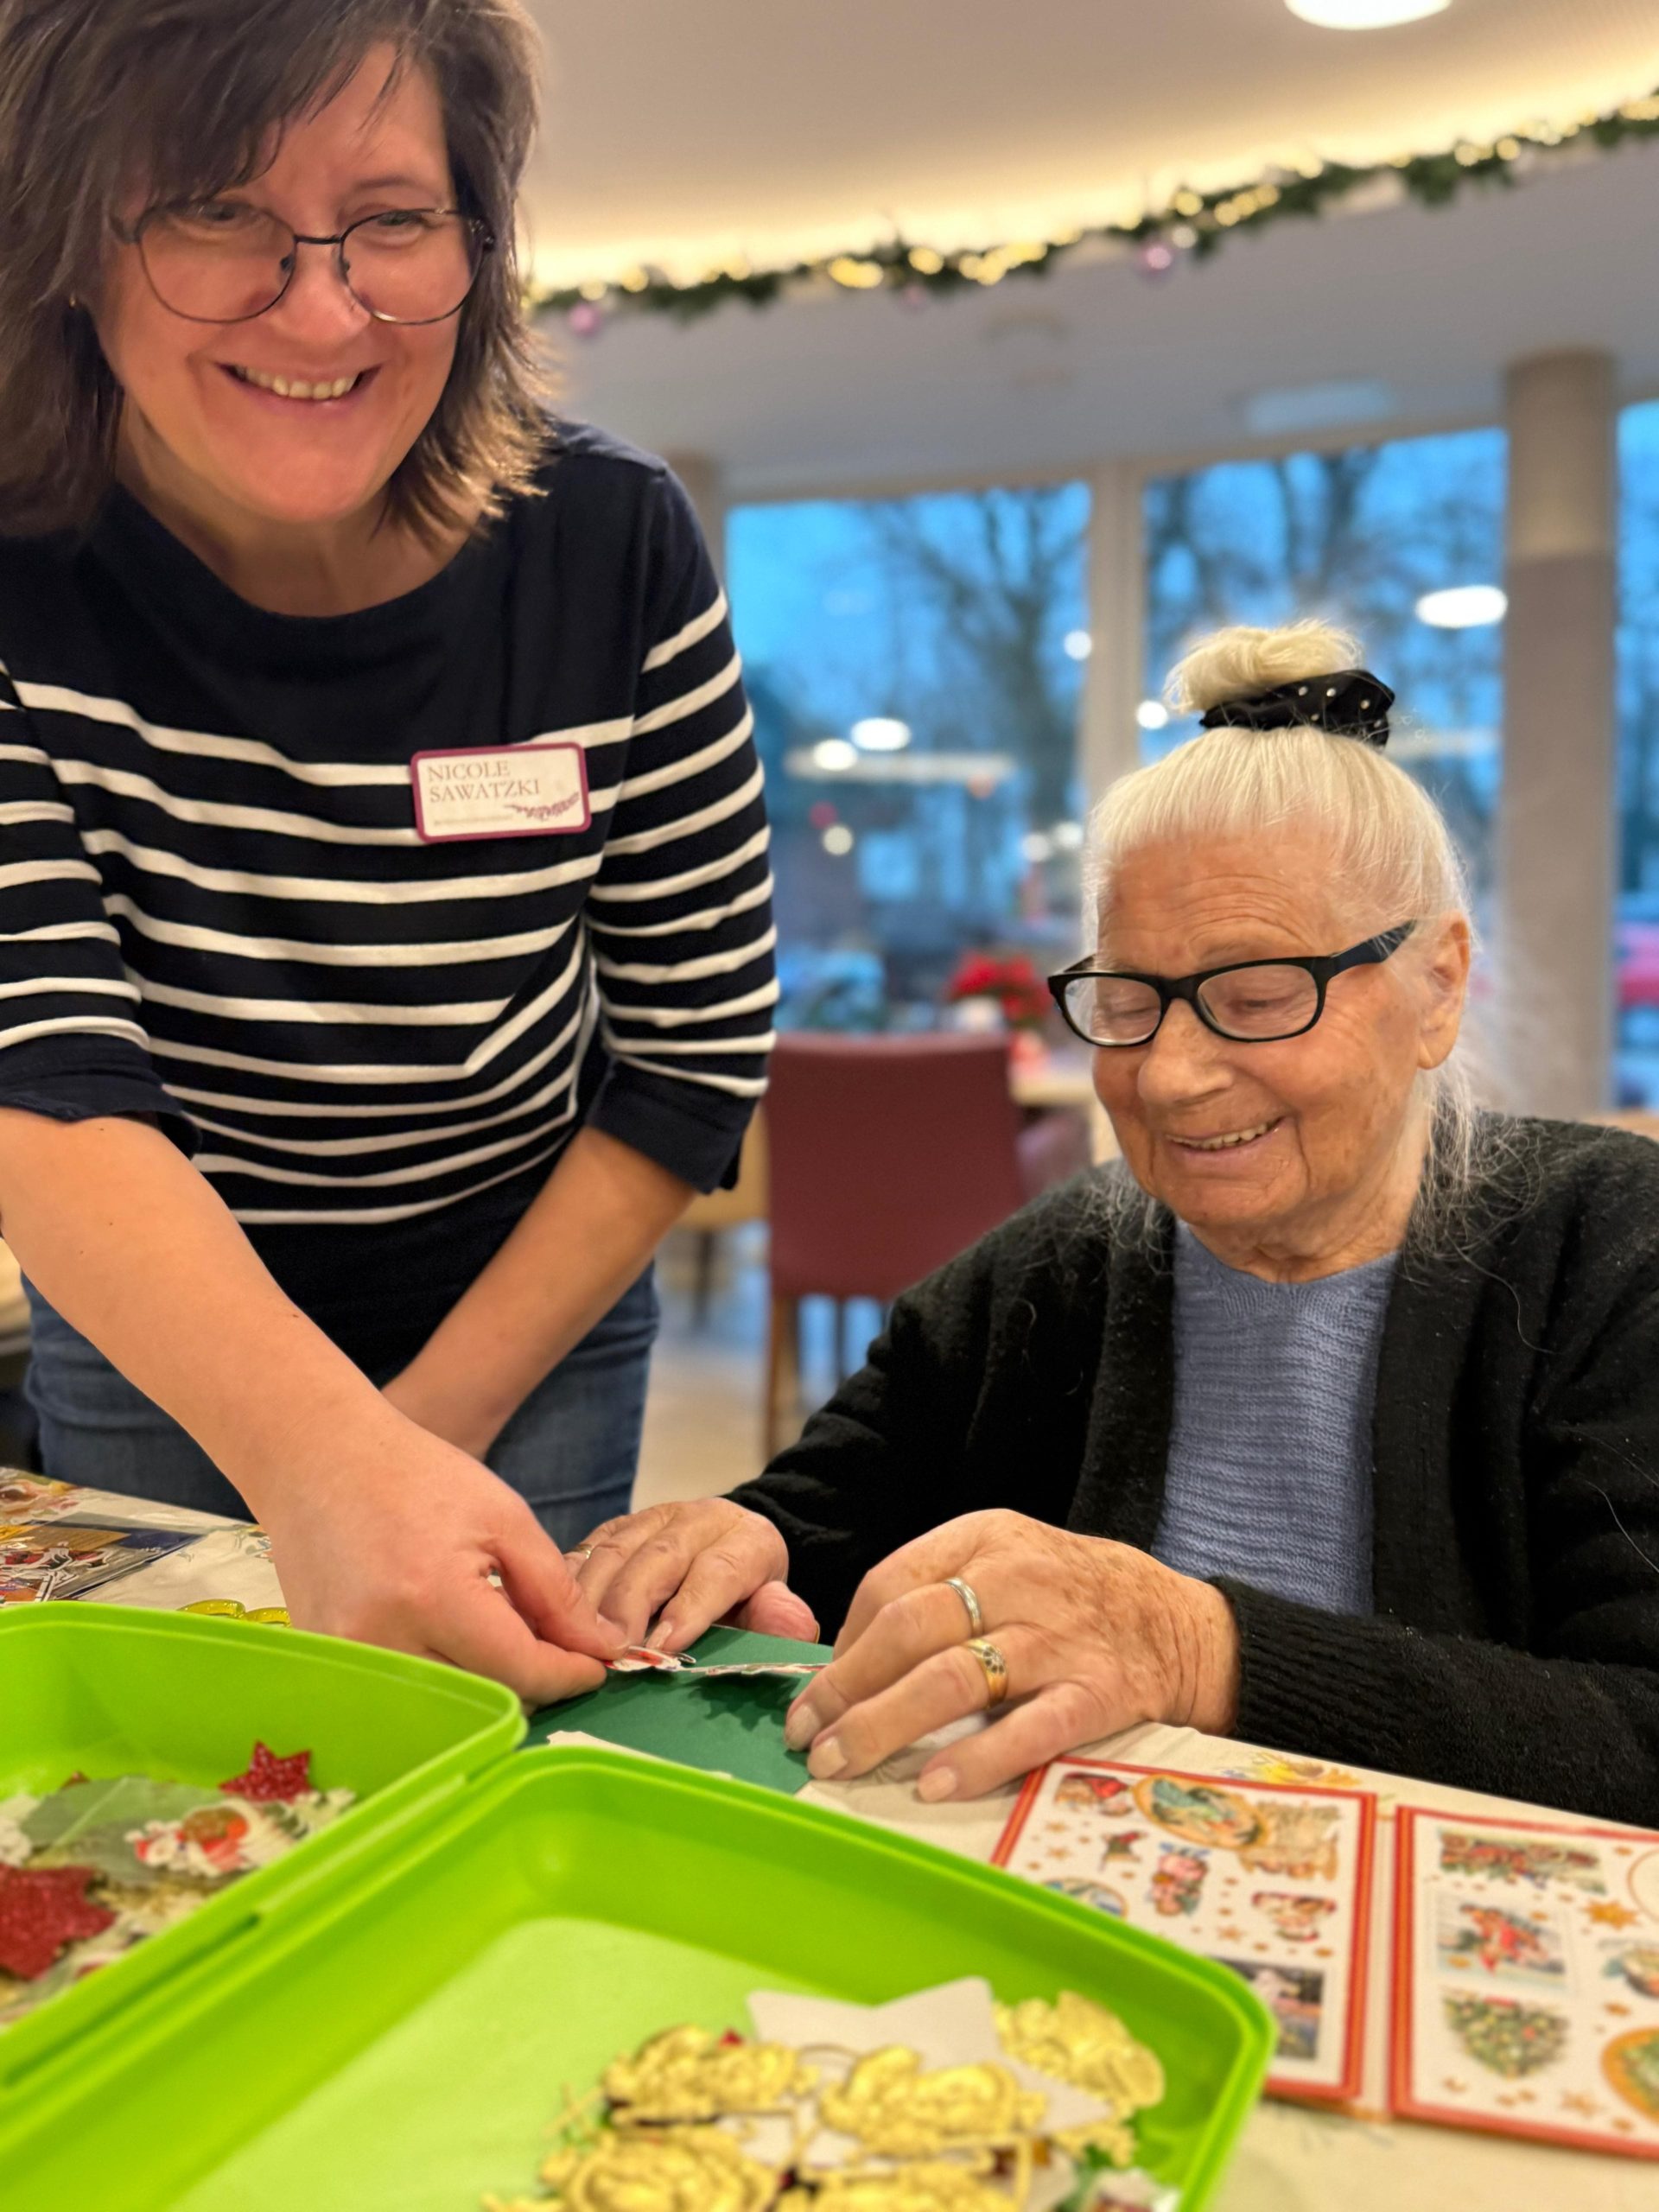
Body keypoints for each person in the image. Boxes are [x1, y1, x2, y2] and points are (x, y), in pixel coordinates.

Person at [0, 0, 774, 1700]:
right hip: (157, 1319)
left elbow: (693, 1047)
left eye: (394, 217)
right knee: (191, 1750)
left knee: (497, 1737)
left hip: (531, 1301)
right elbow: (42, 1075)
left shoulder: (612, 542)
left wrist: (407, 1437)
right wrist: (320, 1449)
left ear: (476, 243)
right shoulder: (20, 576)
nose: (321, 308)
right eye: (214, 209)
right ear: (67, 239)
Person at [575, 621, 1659, 1828]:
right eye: (1129, 1000)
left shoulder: (1610, 1251)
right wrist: (735, 1545)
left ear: (1438, 986)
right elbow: (826, 1515)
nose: (1170, 1077)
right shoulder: (1060, 1265)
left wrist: (1200, 1648)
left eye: (1259, 996)